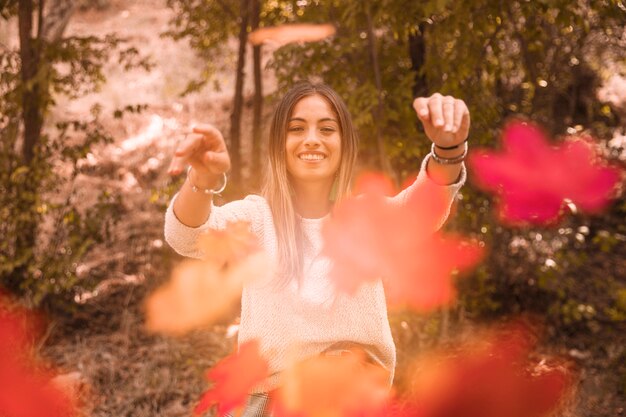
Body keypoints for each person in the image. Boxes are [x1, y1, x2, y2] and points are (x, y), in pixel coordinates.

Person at [164, 82, 470, 416]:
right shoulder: (256, 219)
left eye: (326, 129)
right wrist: (203, 180)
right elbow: (187, 236)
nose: (312, 138)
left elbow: (422, 211)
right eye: (297, 128)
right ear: (279, 144)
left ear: (344, 144)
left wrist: (448, 150)